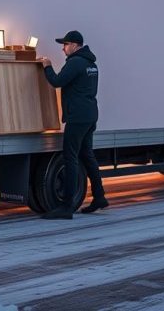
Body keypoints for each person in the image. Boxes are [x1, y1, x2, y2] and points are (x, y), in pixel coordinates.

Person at [39, 30, 108, 220]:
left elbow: (56, 81)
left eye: (66, 45)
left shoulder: (76, 63)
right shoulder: (91, 64)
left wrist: (47, 66)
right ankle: (99, 197)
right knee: (87, 156)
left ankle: (67, 206)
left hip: (77, 118)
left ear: (75, 46)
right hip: (89, 115)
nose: (63, 48)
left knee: (70, 158)